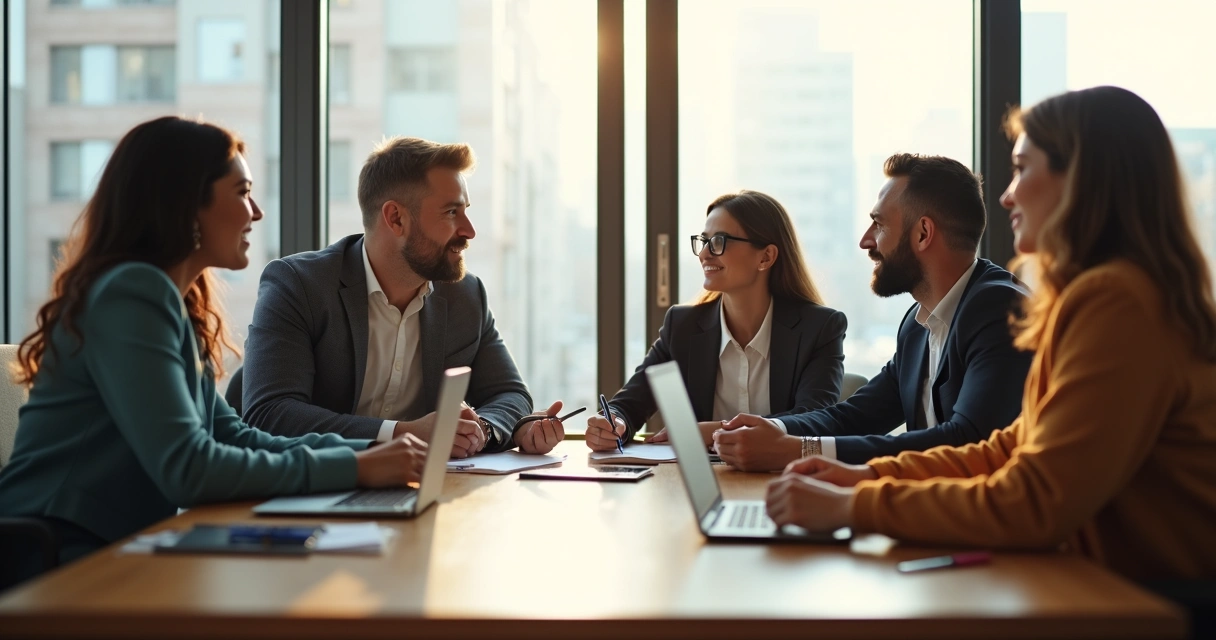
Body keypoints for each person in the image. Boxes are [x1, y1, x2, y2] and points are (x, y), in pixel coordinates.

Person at [766, 86, 1216, 581]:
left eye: (1023, 169)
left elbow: (1036, 499)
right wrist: (863, 477)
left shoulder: (1119, 302)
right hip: (1104, 582)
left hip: (1158, 602)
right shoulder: (1095, 297)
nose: (1006, 195)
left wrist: (855, 505)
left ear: (1081, 180)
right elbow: (1006, 450)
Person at [0, 117, 426, 581]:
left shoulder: (167, 302)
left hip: (107, 548)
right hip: (51, 558)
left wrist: (372, 451)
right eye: (242, 192)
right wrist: (356, 467)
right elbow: (190, 469)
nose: (256, 211)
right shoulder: (131, 294)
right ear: (186, 205)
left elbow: (236, 438)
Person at [242, 137, 563, 457]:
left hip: (411, 489)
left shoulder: (465, 295)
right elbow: (269, 414)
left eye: (465, 211)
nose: (469, 230)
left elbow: (509, 393)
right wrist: (401, 434)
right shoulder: (299, 286)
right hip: (309, 491)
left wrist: (479, 431)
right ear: (395, 218)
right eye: (452, 212)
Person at [715, 154, 1032, 471]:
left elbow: (966, 442)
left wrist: (798, 450)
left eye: (879, 224)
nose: (866, 241)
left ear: (923, 233)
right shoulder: (918, 324)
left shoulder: (1000, 310)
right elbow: (855, 416)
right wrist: (771, 430)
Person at [585, 190, 846, 451]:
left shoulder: (820, 329)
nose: (705, 254)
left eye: (719, 241)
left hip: (782, 481)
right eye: (704, 241)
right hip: (701, 484)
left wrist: (719, 430)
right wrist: (613, 423)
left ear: (765, 257)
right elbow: (631, 403)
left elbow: (814, 420)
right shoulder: (683, 326)